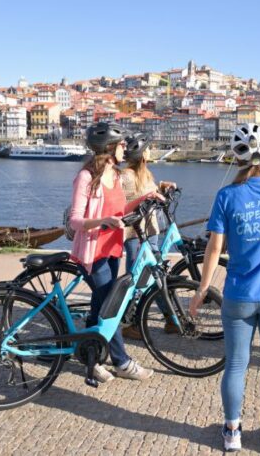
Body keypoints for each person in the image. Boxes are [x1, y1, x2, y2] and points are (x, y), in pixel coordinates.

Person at [189, 122, 260, 455]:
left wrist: (202, 290)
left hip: (239, 295)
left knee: (236, 365)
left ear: (236, 157)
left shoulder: (226, 196)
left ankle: (231, 431)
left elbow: (213, 249)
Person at [68, 121, 163, 383]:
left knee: (100, 307)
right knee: (112, 306)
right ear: (109, 147)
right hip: (92, 252)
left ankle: (91, 357)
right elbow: (75, 220)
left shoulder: (117, 176)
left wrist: (145, 198)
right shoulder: (86, 177)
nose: (125, 148)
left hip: (112, 250)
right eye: (121, 144)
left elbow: (120, 209)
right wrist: (102, 221)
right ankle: (121, 361)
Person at [118, 132, 178, 340]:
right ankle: (127, 323)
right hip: (135, 234)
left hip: (150, 232)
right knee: (135, 279)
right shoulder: (125, 176)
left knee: (157, 275)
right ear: (142, 155)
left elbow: (148, 192)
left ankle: (170, 318)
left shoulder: (146, 174)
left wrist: (162, 187)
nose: (151, 152)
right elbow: (121, 207)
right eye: (148, 149)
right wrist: (147, 196)